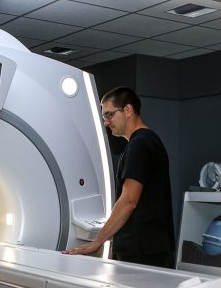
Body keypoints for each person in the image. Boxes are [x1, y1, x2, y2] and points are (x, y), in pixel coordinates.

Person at [64, 86, 175, 267]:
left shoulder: (140, 144)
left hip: (142, 252)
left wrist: (97, 242)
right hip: (151, 248)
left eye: (110, 115)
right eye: (104, 117)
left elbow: (129, 201)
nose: (106, 122)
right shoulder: (149, 141)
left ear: (128, 110)